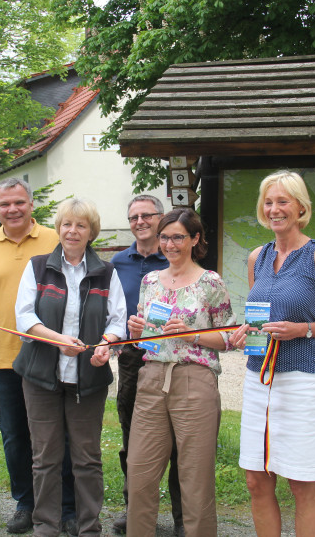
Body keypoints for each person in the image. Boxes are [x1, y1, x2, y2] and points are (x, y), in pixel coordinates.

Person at [228, 170, 315, 536]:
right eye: (268, 202)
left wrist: (304, 329)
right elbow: (260, 312)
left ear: (301, 207)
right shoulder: (258, 256)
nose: (274, 209)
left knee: (300, 483)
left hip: (302, 379)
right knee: (256, 479)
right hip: (258, 378)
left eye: (282, 201)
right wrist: (247, 329)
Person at [100, 208, 234, 536]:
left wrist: (190, 332)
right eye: (165, 237)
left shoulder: (210, 282)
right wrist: (136, 329)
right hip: (152, 376)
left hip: (194, 379)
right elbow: (148, 339)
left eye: (178, 237)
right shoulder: (149, 281)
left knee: (195, 476)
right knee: (140, 471)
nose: (170, 244)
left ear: (195, 239)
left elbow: (230, 337)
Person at [0, 177, 77, 535]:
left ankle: (68, 508)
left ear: (31, 205)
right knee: (15, 437)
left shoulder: (56, 240)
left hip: (51, 358)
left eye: (19, 202)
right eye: (4, 204)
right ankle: (26, 503)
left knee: (61, 436)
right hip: (2, 360)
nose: (12, 209)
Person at [14, 198, 127, 536]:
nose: (72, 231)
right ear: (58, 228)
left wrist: (106, 345)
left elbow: (118, 320)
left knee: (87, 459)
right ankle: (45, 525)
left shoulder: (106, 272)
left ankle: (89, 526)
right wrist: (57, 339)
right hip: (40, 378)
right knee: (45, 457)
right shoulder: (38, 267)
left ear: (91, 232)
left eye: (80, 225)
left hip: (88, 380)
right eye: (66, 224)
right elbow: (24, 318)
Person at [109, 195, 183, 536]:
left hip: (177, 355)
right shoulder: (116, 263)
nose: (139, 221)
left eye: (147, 215)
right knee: (133, 436)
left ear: (161, 218)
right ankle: (135, 509)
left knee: (181, 439)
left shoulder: (176, 257)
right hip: (132, 357)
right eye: (133, 216)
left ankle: (184, 516)